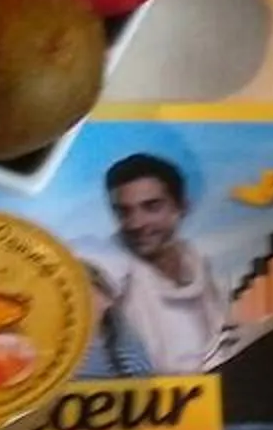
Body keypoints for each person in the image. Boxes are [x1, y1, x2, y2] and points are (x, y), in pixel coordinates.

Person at [79, 153, 233, 376]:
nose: (136, 223)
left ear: (181, 207)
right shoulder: (108, 258)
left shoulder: (199, 264)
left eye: (151, 207)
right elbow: (92, 278)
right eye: (124, 211)